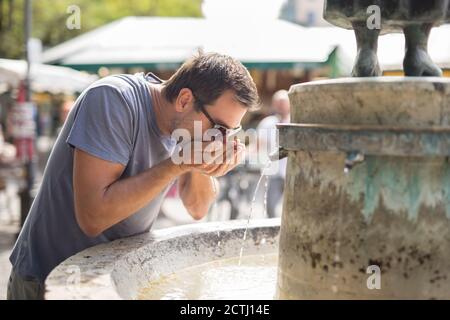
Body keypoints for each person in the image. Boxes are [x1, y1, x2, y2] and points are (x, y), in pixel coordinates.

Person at [7, 52, 259, 299]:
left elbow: (197, 208)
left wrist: (203, 164)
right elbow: (93, 217)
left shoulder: (185, 127)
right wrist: (176, 165)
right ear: (184, 100)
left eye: (230, 131)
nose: (221, 139)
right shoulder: (113, 99)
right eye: (219, 128)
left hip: (109, 279)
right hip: (48, 280)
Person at [257, 89, 290, 219]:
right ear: (273, 104)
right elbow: (258, 146)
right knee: (270, 207)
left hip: (290, 172)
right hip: (273, 173)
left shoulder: (295, 122)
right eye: (278, 102)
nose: (281, 105)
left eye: (284, 102)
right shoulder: (267, 123)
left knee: (291, 207)